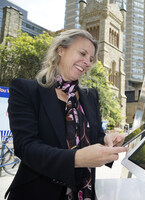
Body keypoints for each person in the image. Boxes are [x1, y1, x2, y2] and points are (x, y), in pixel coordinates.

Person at [5, 29, 127, 200]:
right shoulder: (25, 90)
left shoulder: (91, 96)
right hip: (37, 193)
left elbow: (94, 138)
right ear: (61, 50)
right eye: (82, 53)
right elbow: (26, 148)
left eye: (91, 59)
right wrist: (77, 159)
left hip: (85, 193)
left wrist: (106, 141)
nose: (86, 62)